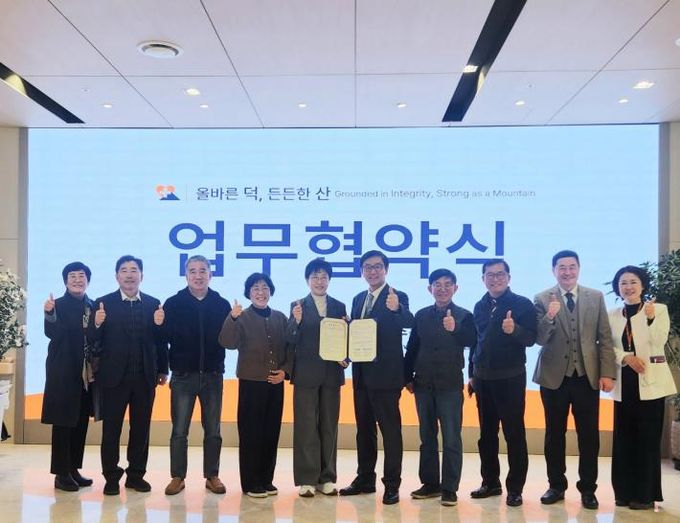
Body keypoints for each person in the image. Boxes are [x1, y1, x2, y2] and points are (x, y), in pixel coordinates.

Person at [533, 250, 616, 509]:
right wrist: (549, 317)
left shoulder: (595, 296)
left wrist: (607, 372)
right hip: (553, 377)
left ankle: (588, 489)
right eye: (562, 267)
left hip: (586, 377)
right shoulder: (542, 298)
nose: (567, 272)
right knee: (554, 434)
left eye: (571, 267)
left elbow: (604, 337)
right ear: (554, 270)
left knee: (588, 435)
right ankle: (556, 485)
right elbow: (539, 338)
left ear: (578, 268)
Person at [87, 255, 168, 495]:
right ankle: (111, 477)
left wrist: (163, 368)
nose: (129, 274)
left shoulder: (154, 303)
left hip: (145, 378)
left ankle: (136, 475)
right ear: (117, 276)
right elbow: (92, 339)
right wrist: (96, 324)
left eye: (134, 270)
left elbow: (161, 342)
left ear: (142, 275)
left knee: (141, 429)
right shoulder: (103, 303)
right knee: (111, 430)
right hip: (113, 379)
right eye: (124, 270)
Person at [339, 250, 414, 505]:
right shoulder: (358, 298)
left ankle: (391, 485)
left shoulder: (397, 296)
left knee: (390, 433)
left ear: (386, 269)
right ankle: (365, 479)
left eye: (378, 266)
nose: (373, 271)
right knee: (364, 431)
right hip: (361, 376)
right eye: (368, 267)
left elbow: (409, 322)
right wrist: (345, 347)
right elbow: (357, 335)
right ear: (362, 271)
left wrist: (397, 309)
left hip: (387, 377)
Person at [158, 255, 232, 496]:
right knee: (179, 430)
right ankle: (177, 477)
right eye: (193, 271)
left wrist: (235, 321)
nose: (198, 275)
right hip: (183, 376)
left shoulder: (221, 304)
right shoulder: (173, 303)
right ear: (186, 275)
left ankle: (212, 475)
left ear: (210, 274)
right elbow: (162, 340)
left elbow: (229, 340)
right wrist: (158, 325)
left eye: (203, 271)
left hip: (212, 376)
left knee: (213, 430)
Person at [404, 268, 476, 507]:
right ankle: (430, 484)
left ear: (455, 288)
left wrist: (455, 328)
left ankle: (450, 488)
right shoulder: (421, 315)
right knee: (427, 437)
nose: (442, 289)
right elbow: (412, 347)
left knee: (452, 438)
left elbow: (472, 342)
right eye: (437, 284)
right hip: (423, 384)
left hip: (449, 386)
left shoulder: (465, 315)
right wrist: (407, 376)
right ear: (430, 289)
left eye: (447, 284)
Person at [468, 259, 537, 507]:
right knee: (486, 435)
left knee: (514, 434)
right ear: (483, 279)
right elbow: (476, 341)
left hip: (510, 378)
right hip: (483, 379)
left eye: (500, 274)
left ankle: (515, 488)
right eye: (490, 275)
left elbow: (531, 338)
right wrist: (471, 373)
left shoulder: (522, 304)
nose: (495, 279)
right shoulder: (480, 305)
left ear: (508, 277)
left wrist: (514, 329)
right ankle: (490, 482)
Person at [607, 265, 677, 510]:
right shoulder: (612, 314)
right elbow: (605, 345)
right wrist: (625, 357)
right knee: (623, 439)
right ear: (618, 288)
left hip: (650, 383)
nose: (628, 287)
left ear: (643, 285)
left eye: (633, 282)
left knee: (647, 440)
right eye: (623, 283)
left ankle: (645, 495)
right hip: (624, 382)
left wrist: (649, 318)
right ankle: (623, 492)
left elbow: (658, 341)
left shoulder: (658, 309)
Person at [218, 272, 292, 498]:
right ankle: (251, 483)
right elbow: (227, 342)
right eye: (255, 289)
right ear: (248, 293)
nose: (261, 292)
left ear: (271, 291)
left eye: (265, 288)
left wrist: (285, 371)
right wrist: (232, 318)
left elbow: (290, 349)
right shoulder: (241, 317)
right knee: (251, 433)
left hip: (275, 383)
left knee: (271, 432)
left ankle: (266, 479)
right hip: (251, 384)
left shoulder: (280, 317)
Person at [287, 258, 348, 498]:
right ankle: (307, 479)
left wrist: (346, 357)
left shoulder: (339, 306)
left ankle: (327, 477)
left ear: (329, 280)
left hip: (332, 375)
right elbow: (290, 338)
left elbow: (346, 339)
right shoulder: (298, 305)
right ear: (307, 280)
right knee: (305, 427)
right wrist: (296, 321)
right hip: (305, 375)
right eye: (315, 277)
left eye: (324, 277)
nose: (319, 281)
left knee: (329, 426)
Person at [42, 261, 96, 491]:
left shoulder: (93, 305)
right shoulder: (57, 305)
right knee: (63, 422)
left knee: (80, 420)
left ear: (87, 280)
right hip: (63, 371)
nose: (77, 280)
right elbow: (51, 333)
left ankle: (73, 469)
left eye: (81, 276)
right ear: (65, 281)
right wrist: (49, 313)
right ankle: (61, 473)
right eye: (72, 276)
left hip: (86, 373)